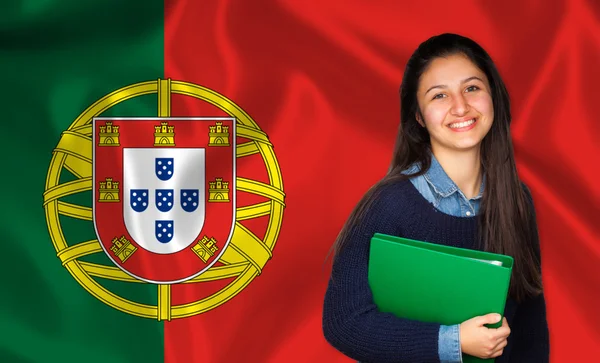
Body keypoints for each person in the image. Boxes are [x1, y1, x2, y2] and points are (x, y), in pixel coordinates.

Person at [322, 33, 550, 363]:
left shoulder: (516, 200)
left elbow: (529, 326)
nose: (461, 107)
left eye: (472, 88)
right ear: (418, 115)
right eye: (439, 95)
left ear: (494, 98)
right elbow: (344, 323)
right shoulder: (388, 206)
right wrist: (454, 341)